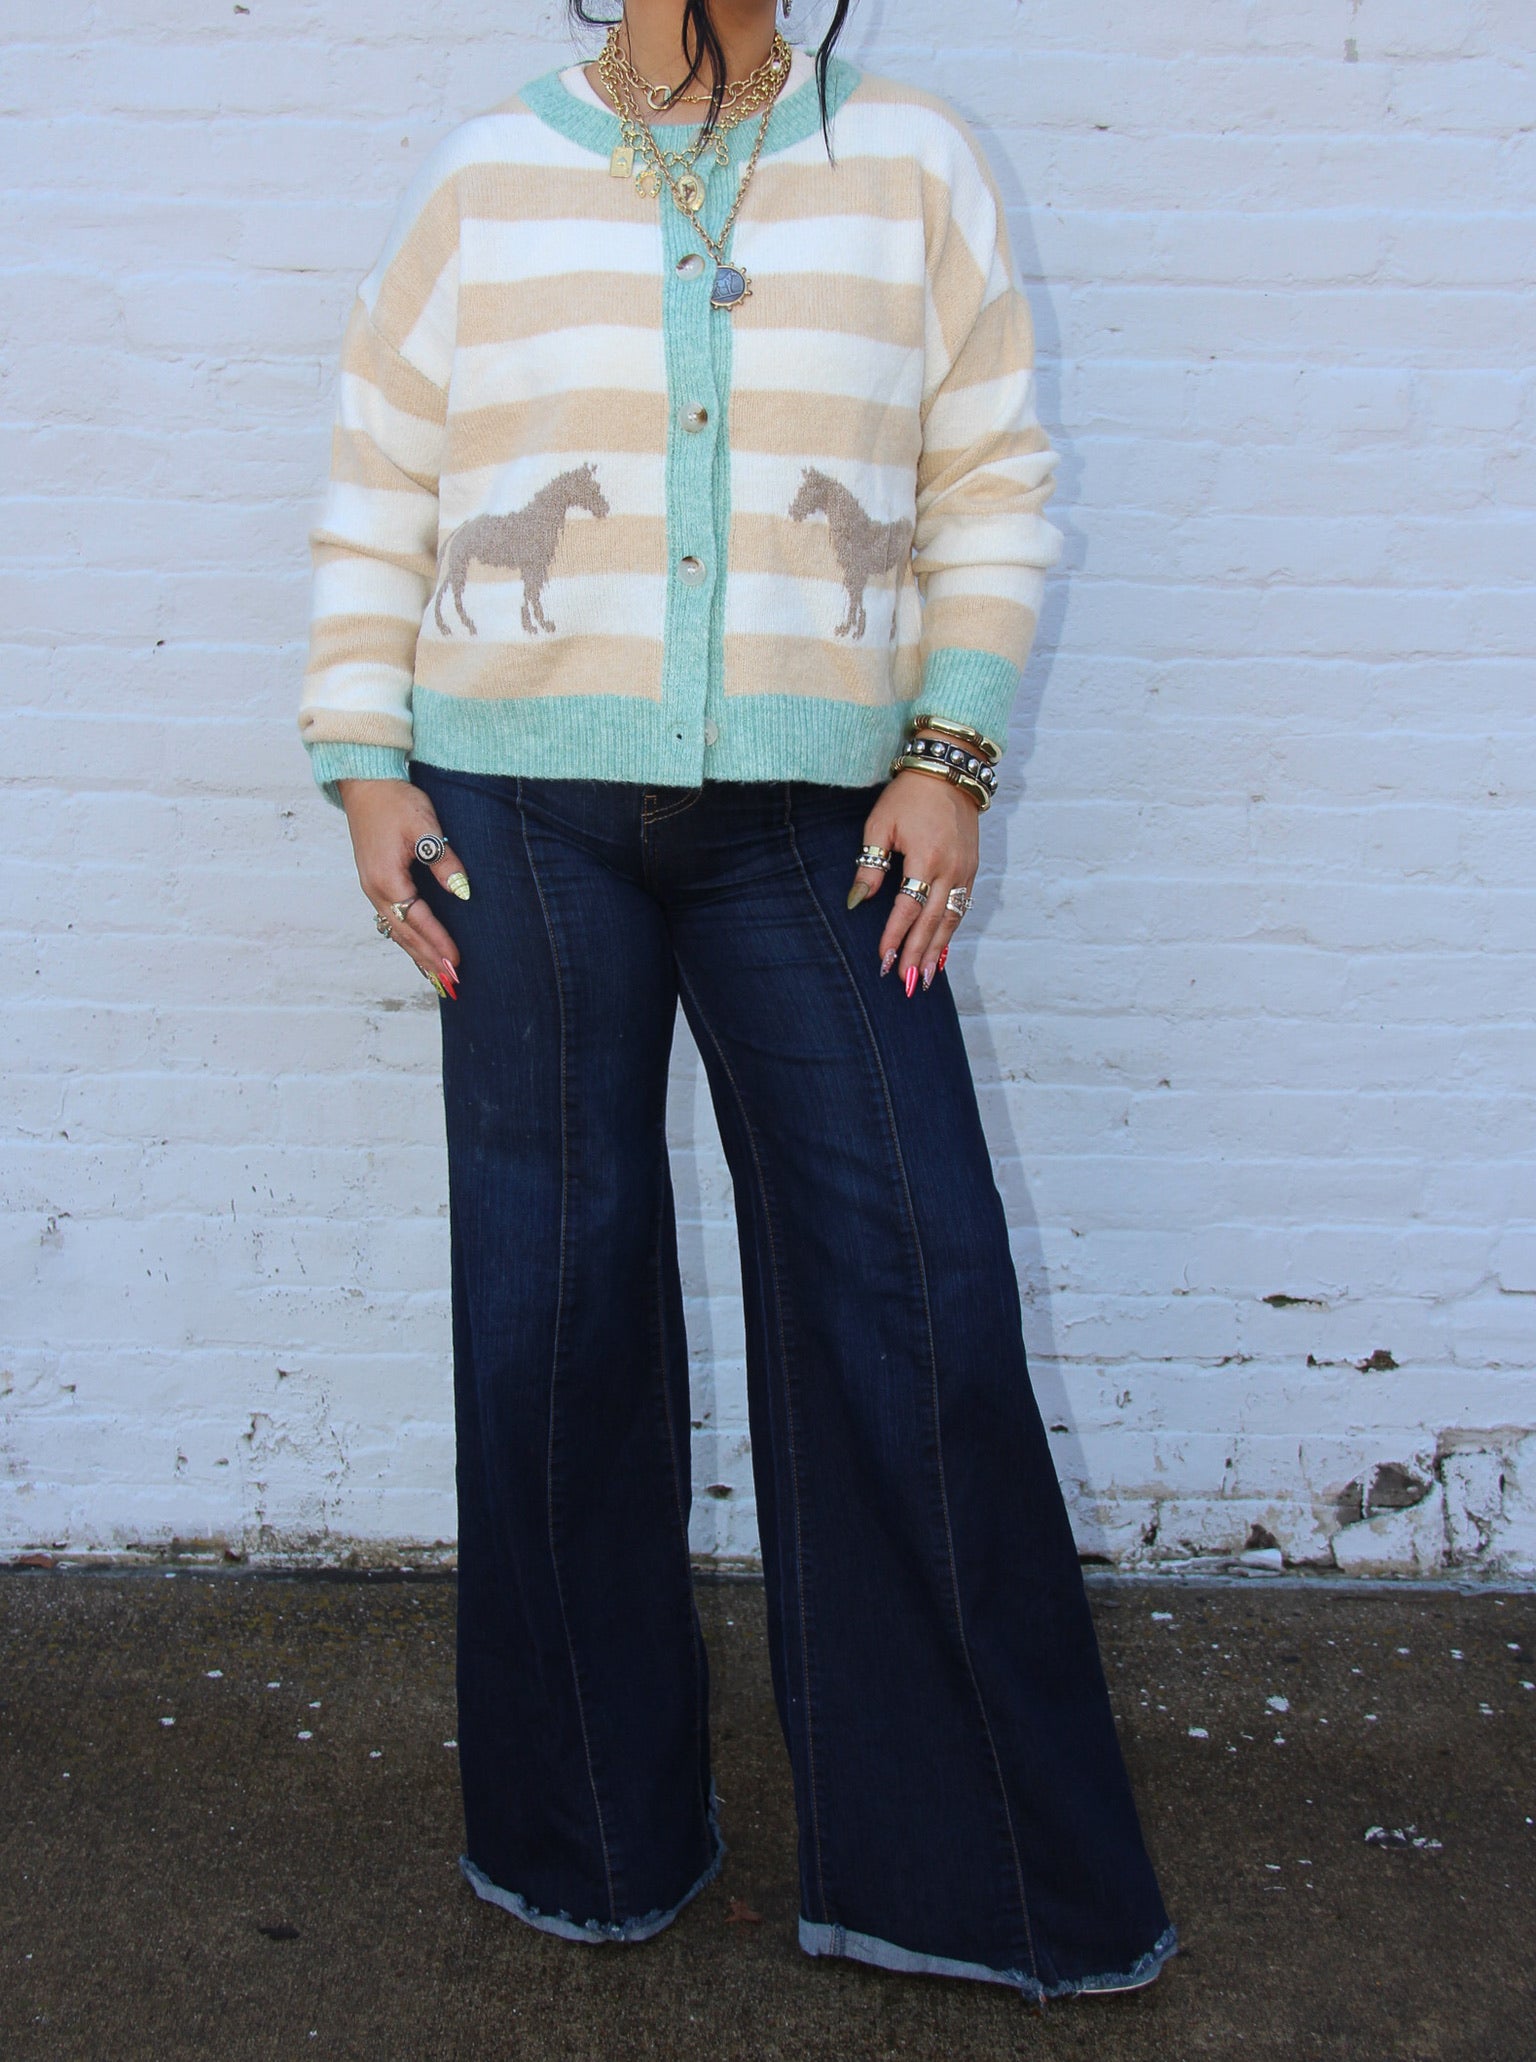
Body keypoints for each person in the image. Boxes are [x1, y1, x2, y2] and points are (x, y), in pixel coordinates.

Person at [298, 0, 1176, 2003]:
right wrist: (361, 757)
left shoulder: (911, 159)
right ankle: (589, 1838)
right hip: (516, 813)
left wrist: (951, 749)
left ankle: (976, 1875)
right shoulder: (486, 175)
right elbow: (383, 470)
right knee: (554, 1297)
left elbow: (991, 468)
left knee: (918, 1278)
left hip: (818, 822)